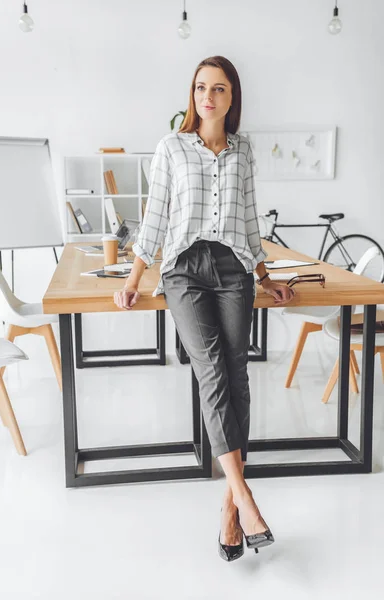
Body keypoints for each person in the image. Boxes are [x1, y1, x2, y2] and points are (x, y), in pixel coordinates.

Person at [114, 55, 295, 562]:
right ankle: (246, 497)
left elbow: (250, 221)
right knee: (212, 369)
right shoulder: (172, 147)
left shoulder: (244, 151)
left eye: (218, 88)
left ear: (232, 97)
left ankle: (229, 510)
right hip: (185, 271)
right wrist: (133, 279)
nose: (207, 96)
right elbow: (155, 220)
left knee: (236, 379)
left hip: (235, 270)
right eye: (199, 87)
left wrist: (265, 276)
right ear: (191, 94)